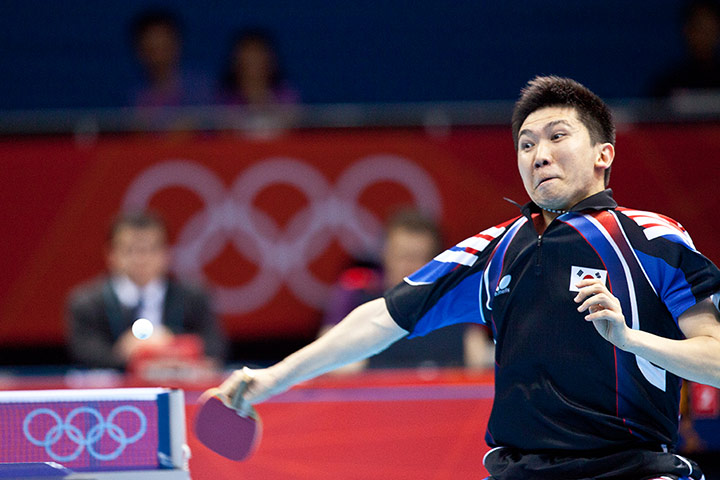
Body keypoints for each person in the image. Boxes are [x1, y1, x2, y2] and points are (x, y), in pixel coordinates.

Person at [219, 76, 720, 479]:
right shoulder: (495, 249)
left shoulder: (652, 238)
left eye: (556, 136)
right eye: (525, 144)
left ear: (603, 154)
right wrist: (272, 377)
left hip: (629, 469)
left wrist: (632, 340)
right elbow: (381, 319)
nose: (538, 154)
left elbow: (715, 360)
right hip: (517, 471)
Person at [320, 208, 493, 371]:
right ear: (385, 254)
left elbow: (477, 355)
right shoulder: (356, 291)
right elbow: (325, 353)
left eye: (418, 257)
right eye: (402, 256)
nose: (409, 266)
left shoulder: (456, 301)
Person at [67, 211, 227, 370]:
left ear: (166, 253)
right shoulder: (87, 302)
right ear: (111, 254)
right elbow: (84, 352)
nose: (141, 259)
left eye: (151, 249)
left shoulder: (193, 296)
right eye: (130, 250)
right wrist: (125, 354)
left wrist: (173, 345)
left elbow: (215, 347)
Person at [128, 9, 212, 108]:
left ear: (178, 45)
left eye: (164, 48)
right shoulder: (134, 97)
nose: (158, 58)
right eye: (151, 50)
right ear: (138, 51)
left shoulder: (201, 92)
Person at [651, 0, 720, 97]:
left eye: (709, 29)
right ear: (687, 30)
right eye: (699, 28)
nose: (704, 36)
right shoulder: (669, 84)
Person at [217, 28, 300, 107]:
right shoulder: (222, 101)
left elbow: (294, 118)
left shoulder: (287, 97)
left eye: (258, 59)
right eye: (248, 61)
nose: (254, 66)